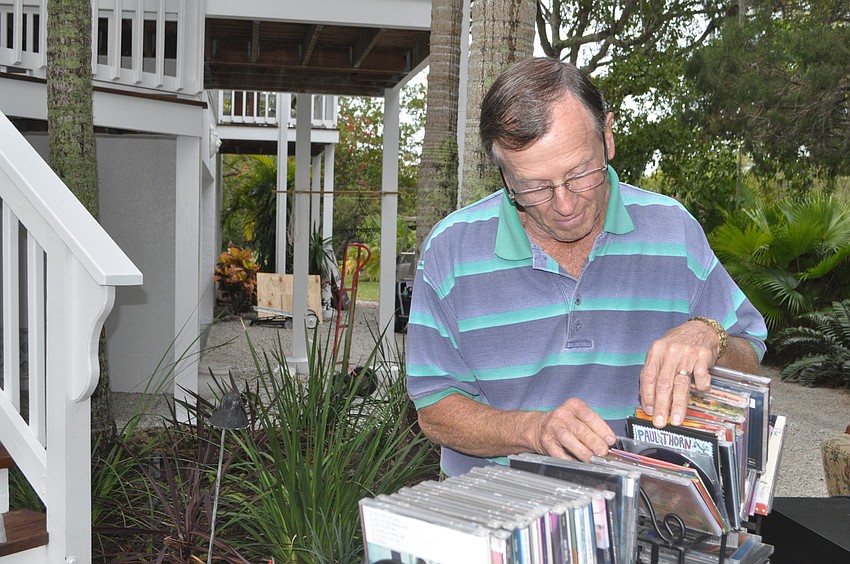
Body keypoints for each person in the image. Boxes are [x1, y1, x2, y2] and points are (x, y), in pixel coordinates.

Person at [405, 57, 767, 477]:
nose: (564, 205)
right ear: (504, 177)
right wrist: (533, 430)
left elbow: (749, 355)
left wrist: (710, 334)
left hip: (650, 520)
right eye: (535, 186)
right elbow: (434, 409)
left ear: (608, 137)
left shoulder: (673, 230)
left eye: (579, 174)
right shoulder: (450, 251)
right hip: (500, 519)